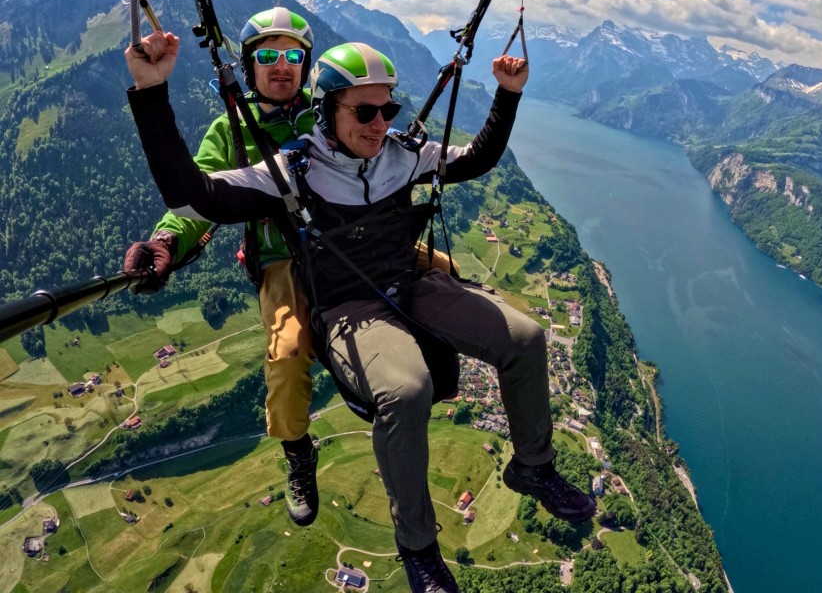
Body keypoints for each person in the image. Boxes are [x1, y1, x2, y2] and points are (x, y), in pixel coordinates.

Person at [125, 33, 596, 593]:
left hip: (409, 282)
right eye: (365, 111)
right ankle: (418, 547)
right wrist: (151, 92)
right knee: (406, 389)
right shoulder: (293, 170)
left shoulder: (402, 153)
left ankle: (533, 466)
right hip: (349, 306)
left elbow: (477, 159)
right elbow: (193, 194)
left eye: (387, 110)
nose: (379, 124)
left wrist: (508, 94)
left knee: (527, 337)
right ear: (327, 110)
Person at [122, 7, 322, 527]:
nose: (282, 66)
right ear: (250, 65)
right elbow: (198, 192)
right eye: (268, 55)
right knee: (287, 353)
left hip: (350, 245)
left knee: (442, 273)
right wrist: (167, 240)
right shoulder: (231, 130)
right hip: (281, 257)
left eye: (293, 56)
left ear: (307, 65)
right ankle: (298, 451)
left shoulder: (329, 113)